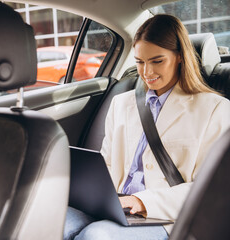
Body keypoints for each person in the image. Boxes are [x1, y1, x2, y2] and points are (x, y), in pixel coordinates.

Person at [64, 14, 230, 240]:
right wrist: (92, 195)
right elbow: (107, 165)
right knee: (54, 222)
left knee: (97, 236)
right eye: (140, 62)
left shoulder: (215, 109)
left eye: (157, 61)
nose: (147, 73)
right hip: (117, 206)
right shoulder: (120, 104)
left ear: (180, 57)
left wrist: (141, 201)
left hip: (165, 215)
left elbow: (210, 190)